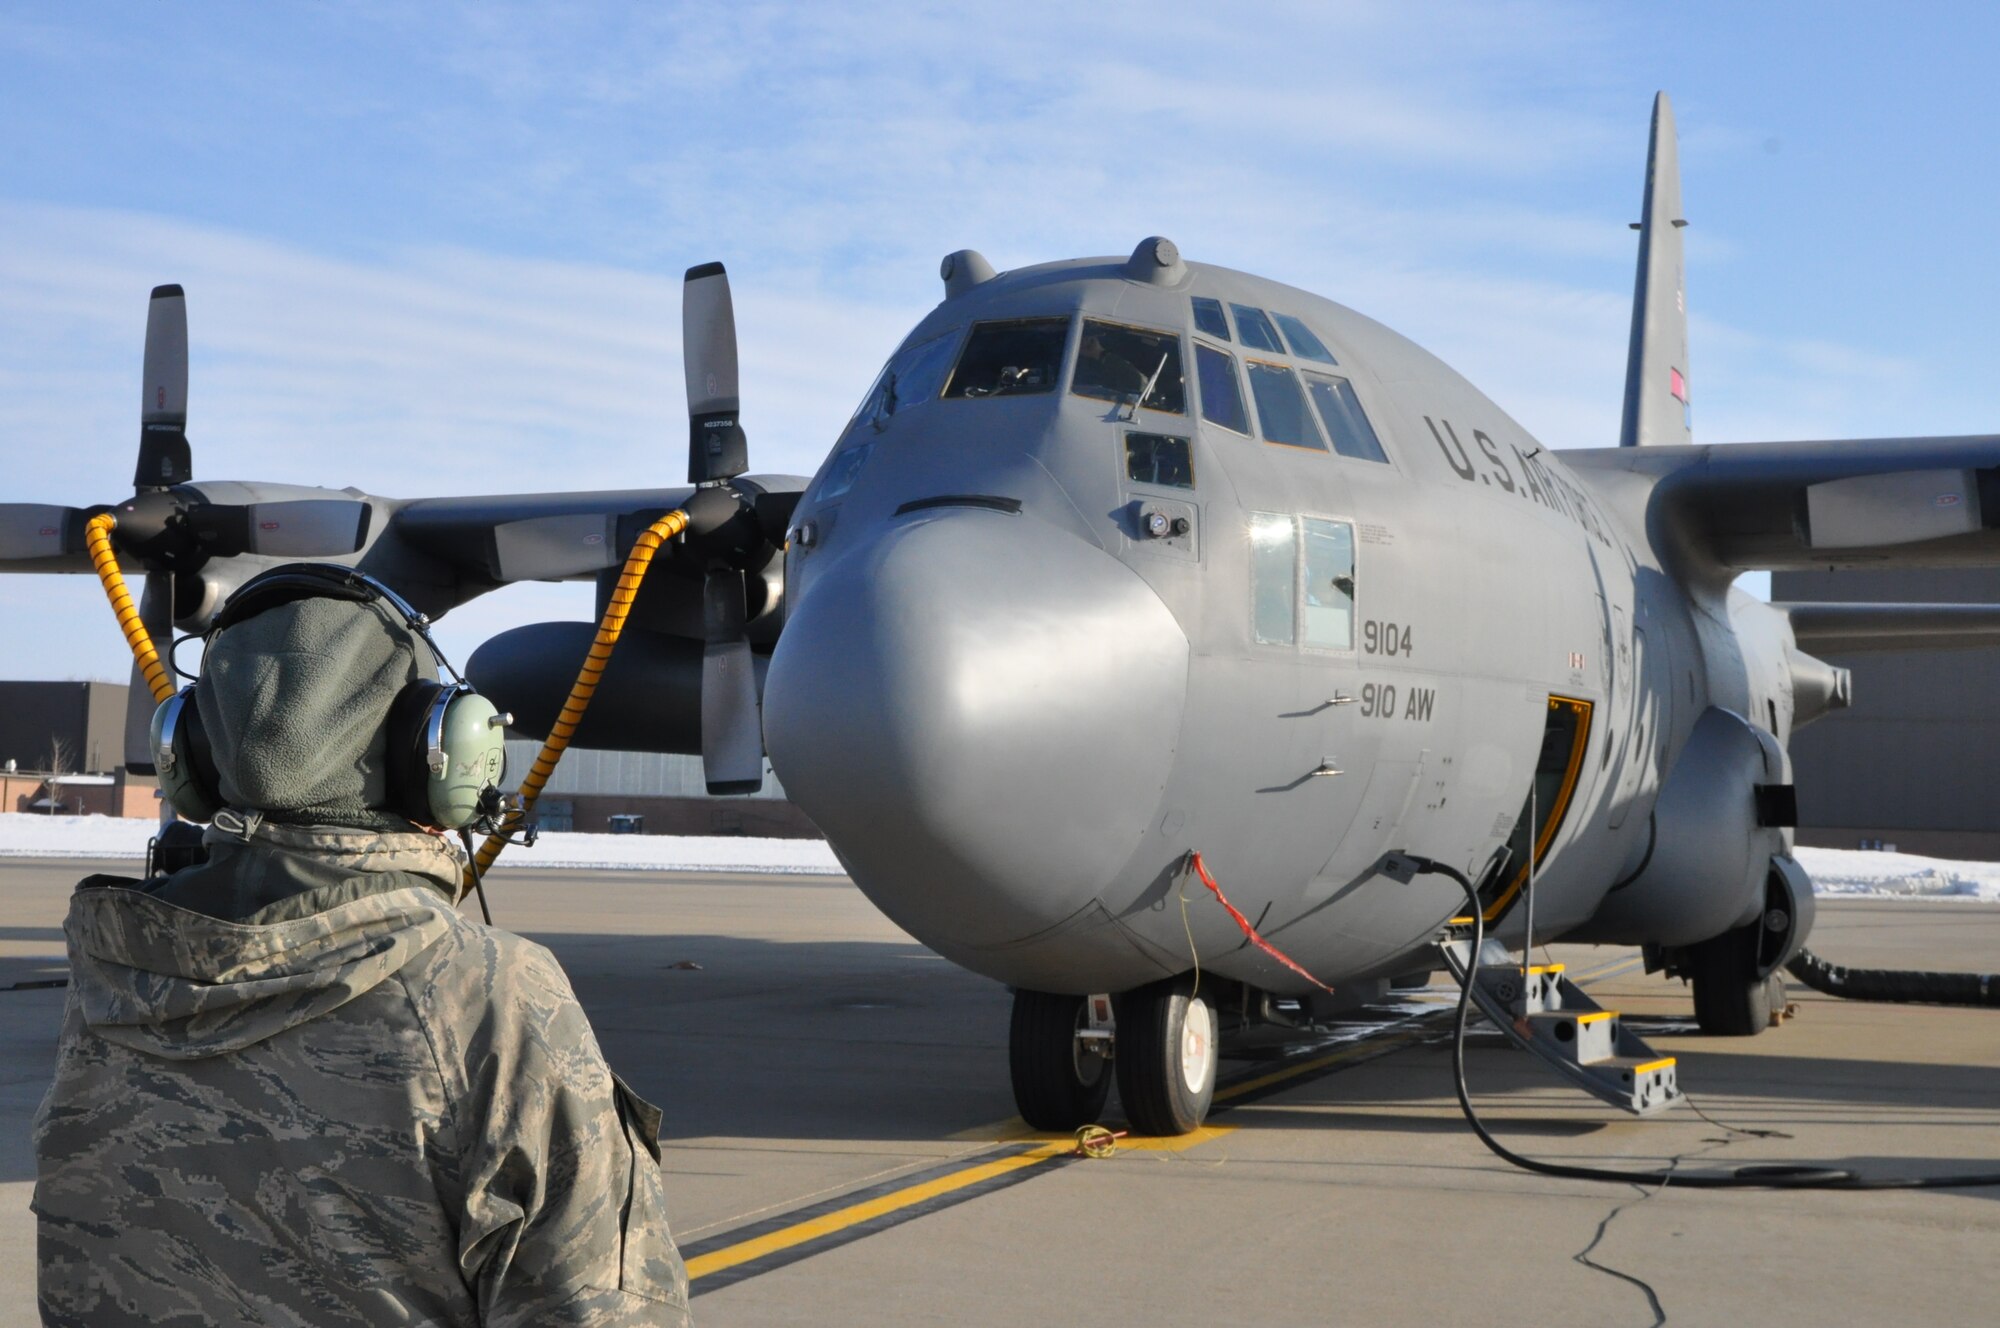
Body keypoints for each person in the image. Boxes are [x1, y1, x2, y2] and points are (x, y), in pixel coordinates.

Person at [33, 570, 690, 1326]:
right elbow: (598, 1307)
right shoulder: (487, 991)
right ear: (443, 756)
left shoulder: (117, 969)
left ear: (191, 755)